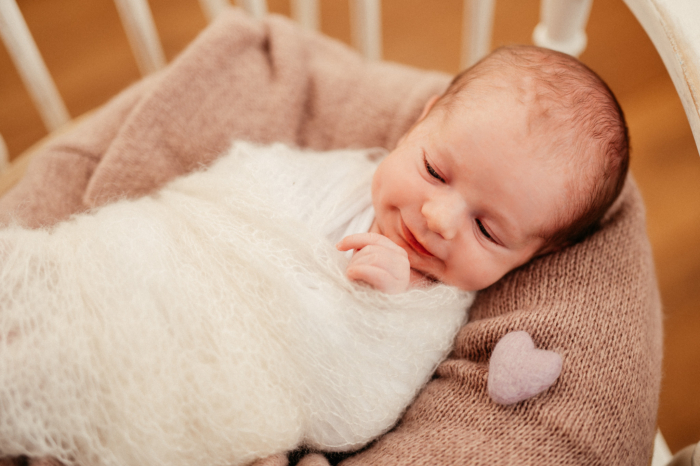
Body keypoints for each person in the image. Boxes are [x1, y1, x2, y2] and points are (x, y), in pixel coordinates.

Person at [337, 44, 628, 294]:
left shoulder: (444, 308)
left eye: (485, 230)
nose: (439, 220)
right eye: (433, 172)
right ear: (419, 124)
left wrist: (383, 302)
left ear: (536, 256)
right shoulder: (344, 174)